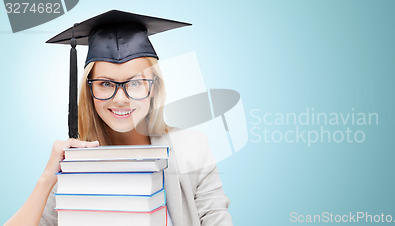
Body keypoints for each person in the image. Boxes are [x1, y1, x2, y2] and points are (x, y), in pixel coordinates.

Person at [4, 10, 232, 226]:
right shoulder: (75, 164)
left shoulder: (192, 149)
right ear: (88, 90)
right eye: (105, 84)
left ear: (154, 88)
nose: (121, 99)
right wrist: (47, 179)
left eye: (135, 83)